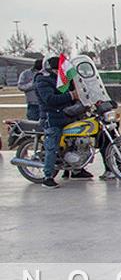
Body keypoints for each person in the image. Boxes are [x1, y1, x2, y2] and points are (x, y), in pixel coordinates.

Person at [34, 56, 78, 188]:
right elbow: (50, 99)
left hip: (66, 115)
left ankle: (76, 170)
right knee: (52, 146)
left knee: (74, 141)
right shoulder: (43, 81)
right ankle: (47, 177)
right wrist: (71, 95)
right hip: (51, 118)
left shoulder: (62, 80)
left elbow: (71, 94)